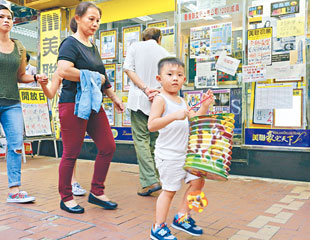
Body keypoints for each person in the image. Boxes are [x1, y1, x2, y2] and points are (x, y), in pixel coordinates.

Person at [39, 2, 124, 214]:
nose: (95, 24)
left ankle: (97, 191)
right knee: (71, 153)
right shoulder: (69, 44)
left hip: (94, 103)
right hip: (73, 104)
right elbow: (64, 70)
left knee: (108, 146)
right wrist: (93, 76)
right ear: (77, 18)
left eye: (98, 20)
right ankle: (66, 197)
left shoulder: (93, 47)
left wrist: (115, 98)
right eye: (90, 19)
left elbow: (104, 79)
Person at [148, 57, 214, 240]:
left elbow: (195, 122)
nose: (175, 78)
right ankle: (158, 227)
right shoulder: (160, 100)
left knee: (198, 182)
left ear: (184, 79)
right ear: (159, 78)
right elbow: (151, 125)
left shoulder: (182, 101)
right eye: (169, 74)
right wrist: (173, 116)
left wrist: (205, 106)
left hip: (187, 154)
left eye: (179, 75)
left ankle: (182, 216)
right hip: (169, 156)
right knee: (169, 190)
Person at [0, 4, 47, 203]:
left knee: (16, 144)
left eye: (9, 17)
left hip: (12, 102)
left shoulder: (18, 46)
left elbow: (21, 76)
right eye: (1, 17)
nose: (6, 20)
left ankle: (14, 189)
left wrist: (36, 77)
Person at [123, 27, 170, 196]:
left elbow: (128, 69)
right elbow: (168, 80)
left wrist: (144, 88)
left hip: (138, 99)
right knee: (154, 141)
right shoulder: (165, 52)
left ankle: (150, 181)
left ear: (144, 37)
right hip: (157, 102)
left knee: (141, 140)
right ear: (159, 38)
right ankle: (157, 178)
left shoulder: (135, 47)